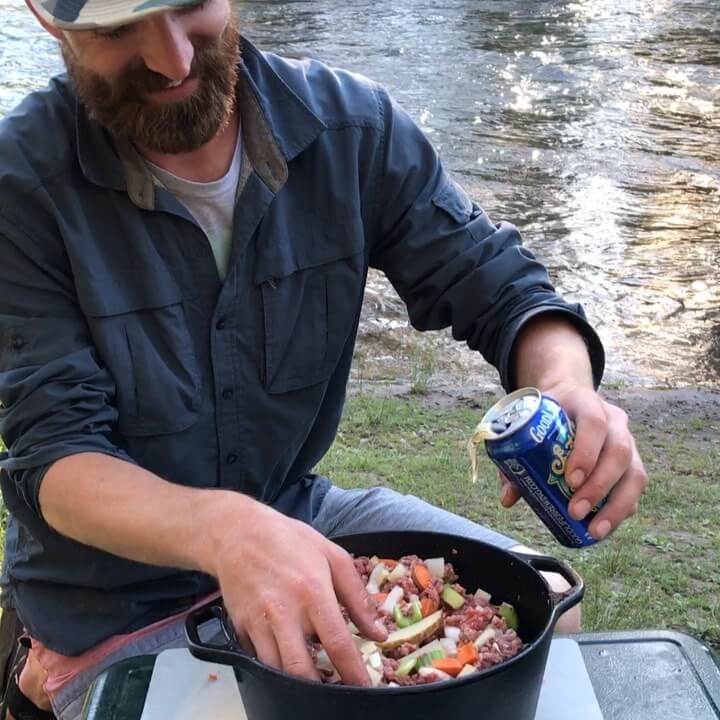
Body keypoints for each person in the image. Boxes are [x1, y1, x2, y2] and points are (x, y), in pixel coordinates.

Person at [0, 1, 648, 717]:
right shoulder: (21, 182)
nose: (173, 60)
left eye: (190, 6)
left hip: (297, 514)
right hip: (109, 605)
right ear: (48, 18)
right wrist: (228, 533)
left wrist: (564, 382)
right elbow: (55, 457)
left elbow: (497, 281)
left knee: (553, 608)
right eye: (119, 28)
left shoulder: (353, 129)